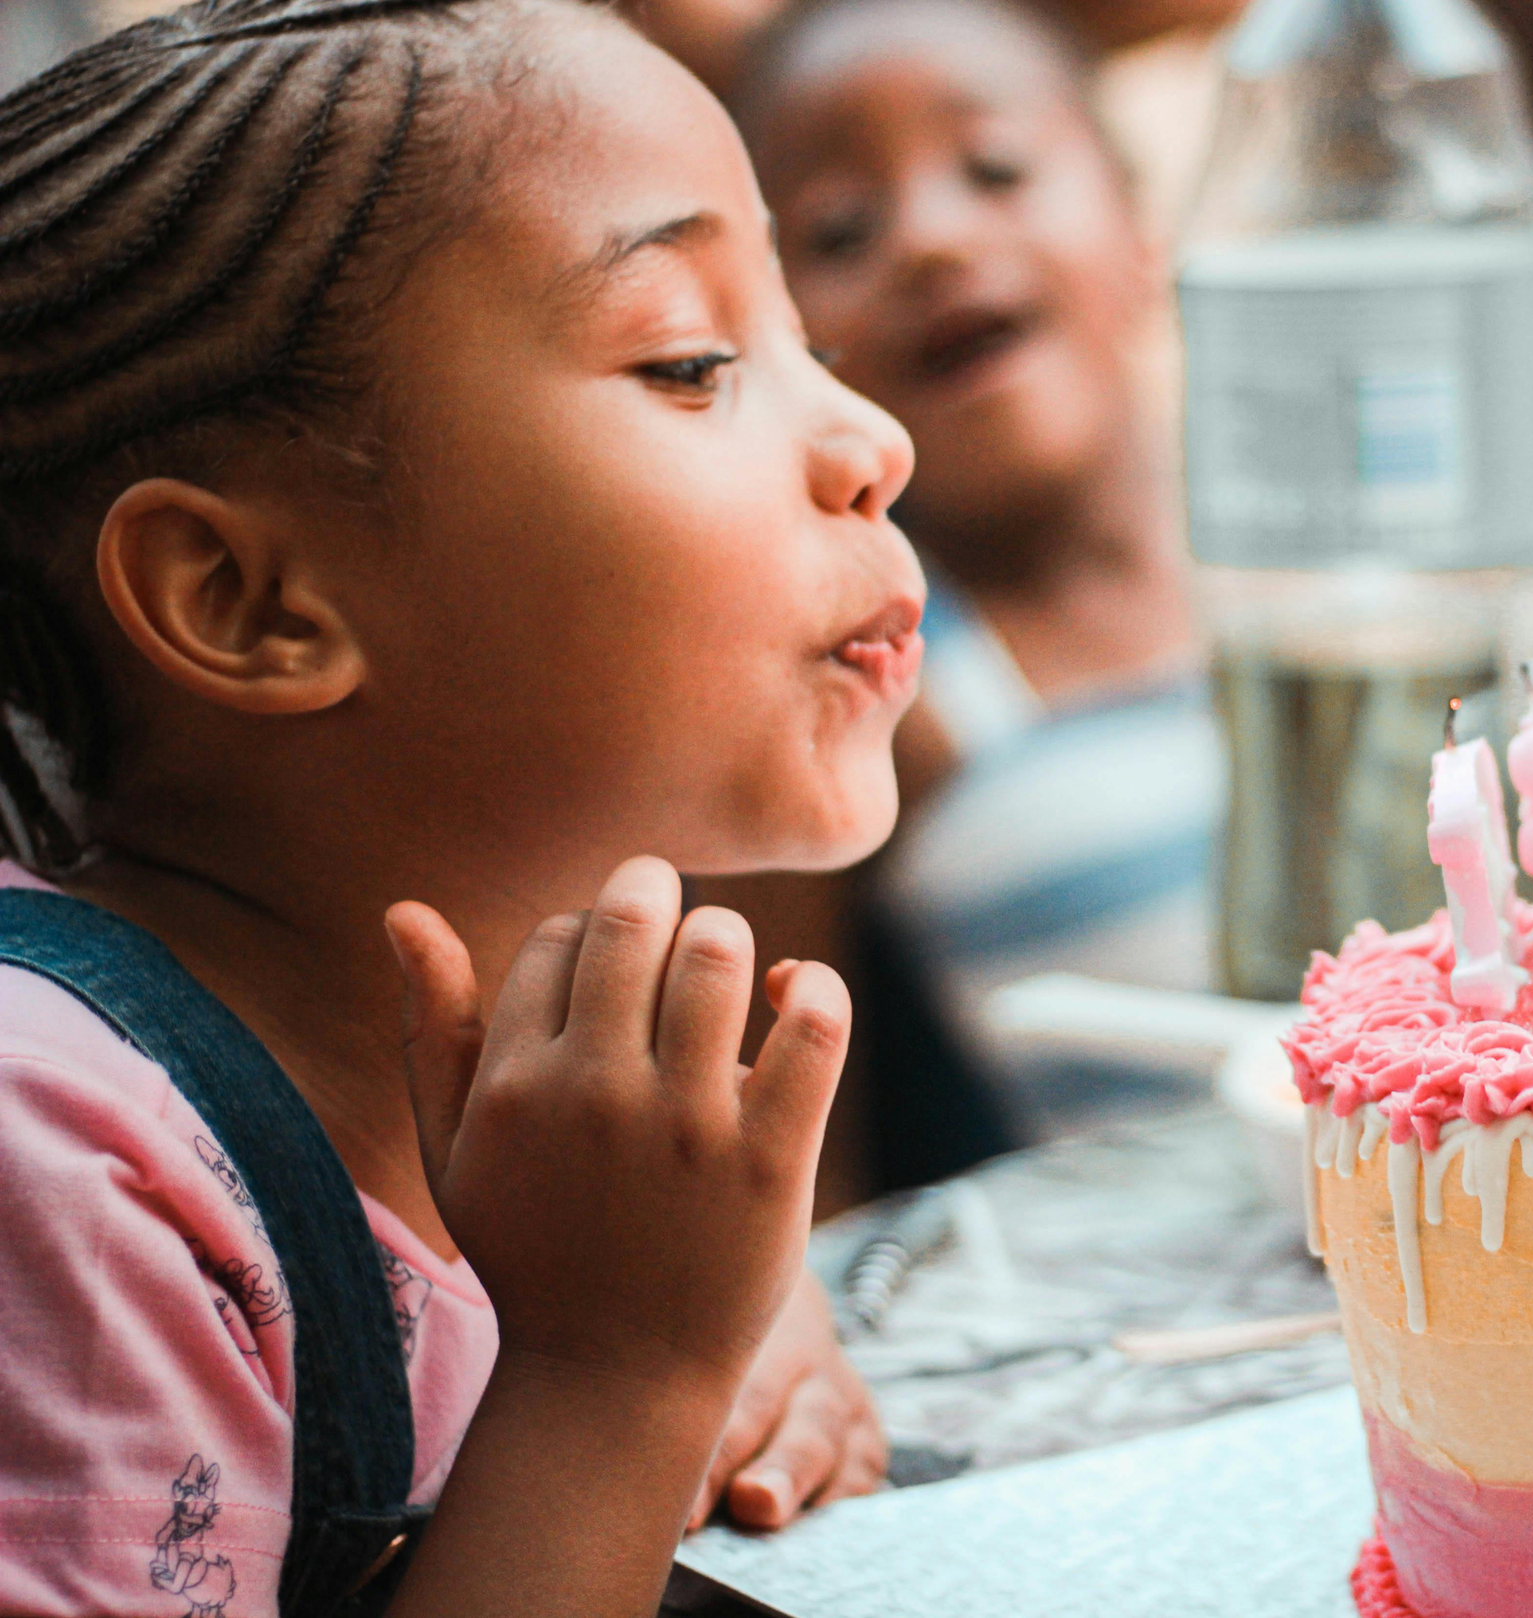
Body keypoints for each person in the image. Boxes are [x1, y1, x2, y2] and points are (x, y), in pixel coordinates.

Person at [0, 0, 918, 1610]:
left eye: (809, 347)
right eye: (691, 361)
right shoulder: (64, 1163)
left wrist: (729, 1314)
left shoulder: (555, 1076)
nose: (874, 442)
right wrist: (615, 1376)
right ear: (245, 597)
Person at [734, 0, 1221, 1137]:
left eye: (995, 168)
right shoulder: (877, 689)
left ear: (1143, 233)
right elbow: (785, 1168)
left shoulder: (1309, 564)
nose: (932, 239)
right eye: (841, 232)